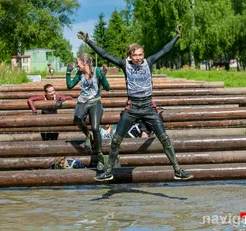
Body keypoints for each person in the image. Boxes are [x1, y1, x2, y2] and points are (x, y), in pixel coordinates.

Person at [77, 24, 194, 181]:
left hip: (148, 107)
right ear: (130, 56)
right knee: (116, 140)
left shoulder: (149, 62)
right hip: (132, 107)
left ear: (143, 55)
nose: (138, 57)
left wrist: (177, 37)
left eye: (140, 54)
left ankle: (177, 170)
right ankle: (108, 171)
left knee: (164, 138)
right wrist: (89, 42)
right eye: (135, 55)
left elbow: (165, 50)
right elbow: (105, 55)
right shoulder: (125, 65)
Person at [66, 53, 110, 170]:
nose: (76, 65)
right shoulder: (80, 73)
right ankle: (87, 135)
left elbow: (107, 87)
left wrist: (103, 76)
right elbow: (70, 86)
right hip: (82, 102)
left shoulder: (97, 71)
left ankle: (100, 156)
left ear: (84, 63)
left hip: (95, 102)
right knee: (77, 118)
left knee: (95, 128)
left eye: (78, 62)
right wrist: (68, 72)